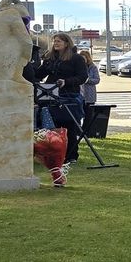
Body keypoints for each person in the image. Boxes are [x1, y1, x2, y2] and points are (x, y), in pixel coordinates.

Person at [24, 32, 90, 164]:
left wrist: (66, 81)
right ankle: (55, 153)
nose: (56, 43)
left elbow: (83, 77)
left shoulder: (76, 59)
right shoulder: (50, 58)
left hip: (69, 96)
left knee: (69, 127)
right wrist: (28, 65)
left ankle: (71, 155)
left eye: (59, 41)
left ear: (66, 43)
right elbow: (39, 73)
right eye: (54, 41)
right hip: (51, 97)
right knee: (53, 127)